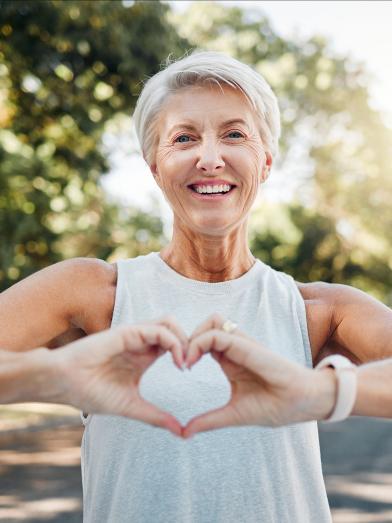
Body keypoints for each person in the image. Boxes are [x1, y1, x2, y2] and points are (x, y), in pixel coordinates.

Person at [1, 50, 391, 522]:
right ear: (154, 168)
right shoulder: (93, 293)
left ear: (265, 161)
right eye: (184, 138)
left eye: (234, 134)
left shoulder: (319, 310)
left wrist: (318, 391)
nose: (210, 159)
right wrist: (51, 375)